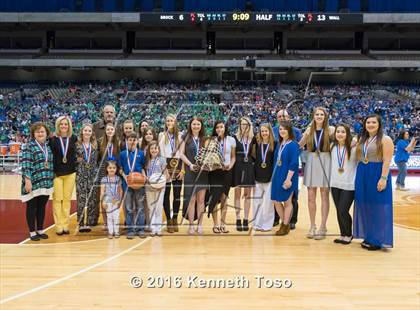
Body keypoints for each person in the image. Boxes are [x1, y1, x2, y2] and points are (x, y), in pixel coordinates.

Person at [354, 114, 394, 251]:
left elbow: (387, 161)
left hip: (376, 173)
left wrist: (383, 178)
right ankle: (369, 236)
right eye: (368, 122)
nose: (370, 124)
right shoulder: (363, 139)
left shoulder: (385, 139)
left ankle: (378, 239)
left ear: (379, 124)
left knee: (378, 207)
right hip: (362, 173)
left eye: (373, 122)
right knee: (366, 206)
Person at [299, 107, 335, 240]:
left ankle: (323, 226)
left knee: (324, 195)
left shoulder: (331, 130)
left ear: (325, 117)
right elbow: (299, 145)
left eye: (322, 114)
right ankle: (312, 225)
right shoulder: (309, 130)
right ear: (313, 116)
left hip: (326, 160)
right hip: (312, 160)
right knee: (310, 196)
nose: (319, 116)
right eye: (317, 114)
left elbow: (344, 141)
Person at [21, 122, 54, 241]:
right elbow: (26, 164)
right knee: (32, 207)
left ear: (46, 133)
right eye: (37, 131)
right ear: (33, 134)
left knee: (42, 207)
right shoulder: (29, 146)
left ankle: (40, 229)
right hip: (33, 181)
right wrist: (27, 181)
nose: (40, 133)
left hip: (45, 181)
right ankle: (31, 232)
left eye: (42, 131)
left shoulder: (48, 146)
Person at [273, 109, 302, 230]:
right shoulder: (275, 135)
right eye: (279, 116)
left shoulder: (296, 135)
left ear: (289, 117)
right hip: (277, 171)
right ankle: (281, 221)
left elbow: (295, 157)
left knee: (290, 199)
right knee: (276, 198)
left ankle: (289, 222)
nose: (282, 118)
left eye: (284, 116)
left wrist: (289, 177)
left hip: (290, 171)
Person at [179, 117, 209, 235]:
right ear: (190, 125)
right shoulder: (185, 138)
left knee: (201, 200)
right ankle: (191, 225)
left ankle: (200, 225)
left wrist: (206, 164)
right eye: (194, 124)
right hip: (190, 172)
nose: (196, 126)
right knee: (191, 200)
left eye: (198, 124)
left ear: (201, 126)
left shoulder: (205, 139)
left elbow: (209, 154)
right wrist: (190, 165)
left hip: (203, 173)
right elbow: (181, 154)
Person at [49, 116, 77, 235]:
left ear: (69, 125)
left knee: (67, 200)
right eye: (61, 124)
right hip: (57, 173)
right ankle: (58, 225)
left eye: (66, 124)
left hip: (70, 172)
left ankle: (66, 225)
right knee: (57, 200)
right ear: (58, 126)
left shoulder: (74, 138)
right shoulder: (53, 139)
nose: (64, 126)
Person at [206, 121, 236, 234]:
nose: (219, 129)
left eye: (221, 127)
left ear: (225, 128)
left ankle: (223, 224)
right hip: (214, 172)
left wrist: (230, 166)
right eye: (217, 127)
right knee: (214, 197)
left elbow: (233, 157)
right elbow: (208, 157)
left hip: (227, 172)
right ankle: (216, 224)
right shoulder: (211, 140)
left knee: (224, 198)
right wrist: (215, 165)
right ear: (215, 129)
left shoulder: (231, 140)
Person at [330, 124, 357, 245]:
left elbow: (363, 138)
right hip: (334, 183)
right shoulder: (332, 147)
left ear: (348, 134)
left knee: (343, 209)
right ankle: (342, 234)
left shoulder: (353, 147)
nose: (340, 134)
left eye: (343, 132)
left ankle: (349, 234)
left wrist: (356, 139)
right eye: (338, 132)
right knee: (338, 210)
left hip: (349, 184)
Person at [158, 114, 184, 233]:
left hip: (178, 167)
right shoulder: (161, 135)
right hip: (165, 168)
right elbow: (160, 154)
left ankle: (175, 218)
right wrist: (164, 170)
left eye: (171, 120)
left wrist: (183, 170)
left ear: (175, 122)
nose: (169, 122)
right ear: (165, 122)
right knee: (166, 196)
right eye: (167, 120)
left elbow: (183, 155)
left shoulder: (180, 136)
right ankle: (168, 219)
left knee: (177, 196)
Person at [119, 132, 146, 239]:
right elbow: (120, 168)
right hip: (127, 184)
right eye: (130, 140)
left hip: (139, 184)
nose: (132, 142)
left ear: (137, 141)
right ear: (127, 141)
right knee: (129, 208)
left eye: (134, 140)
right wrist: (124, 176)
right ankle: (130, 229)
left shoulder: (141, 153)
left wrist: (144, 177)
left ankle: (141, 229)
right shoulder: (122, 154)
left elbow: (143, 167)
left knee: (140, 207)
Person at [232, 117, 256, 232]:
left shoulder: (253, 138)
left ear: (249, 126)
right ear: (240, 125)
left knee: (247, 195)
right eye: (242, 124)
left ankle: (246, 219)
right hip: (237, 168)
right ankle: (237, 219)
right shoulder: (234, 138)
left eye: (246, 124)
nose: (244, 126)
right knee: (237, 195)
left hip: (249, 168)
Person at [75, 123, 99, 233]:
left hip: (92, 175)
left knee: (91, 200)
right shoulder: (77, 145)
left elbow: (97, 160)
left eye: (89, 131)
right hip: (81, 175)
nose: (87, 133)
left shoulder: (95, 145)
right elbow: (73, 159)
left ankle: (89, 221)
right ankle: (80, 223)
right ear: (82, 132)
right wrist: (77, 161)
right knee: (81, 200)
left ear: (92, 133)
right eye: (85, 130)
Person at [253, 123, 276, 232]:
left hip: (270, 178)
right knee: (256, 202)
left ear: (270, 132)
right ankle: (257, 223)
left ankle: (267, 225)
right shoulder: (257, 144)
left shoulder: (274, 144)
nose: (264, 133)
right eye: (262, 131)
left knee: (268, 203)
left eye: (266, 131)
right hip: (258, 177)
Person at [144, 141, 170, 237]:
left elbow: (166, 174)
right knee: (151, 208)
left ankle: (158, 229)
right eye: (152, 148)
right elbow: (144, 171)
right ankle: (153, 228)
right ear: (149, 150)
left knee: (159, 208)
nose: (154, 150)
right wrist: (147, 179)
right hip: (149, 186)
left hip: (160, 187)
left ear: (158, 150)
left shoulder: (162, 160)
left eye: (156, 148)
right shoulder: (146, 160)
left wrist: (161, 183)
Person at [98, 123, 120, 227]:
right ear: (105, 131)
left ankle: (114, 220)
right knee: (104, 197)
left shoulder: (118, 143)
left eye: (112, 129)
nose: (110, 131)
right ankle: (106, 222)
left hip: (115, 172)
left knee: (114, 196)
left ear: (114, 131)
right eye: (108, 129)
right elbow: (98, 159)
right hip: (103, 172)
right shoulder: (100, 142)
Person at [100, 161, 123, 239]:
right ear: (106, 169)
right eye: (110, 168)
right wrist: (103, 201)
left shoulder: (118, 179)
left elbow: (120, 190)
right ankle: (110, 232)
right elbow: (102, 191)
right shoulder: (104, 179)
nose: (112, 169)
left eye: (114, 168)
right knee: (109, 217)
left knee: (116, 216)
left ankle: (116, 232)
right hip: (107, 200)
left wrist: (120, 200)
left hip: (115, 200)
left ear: (116, 169)